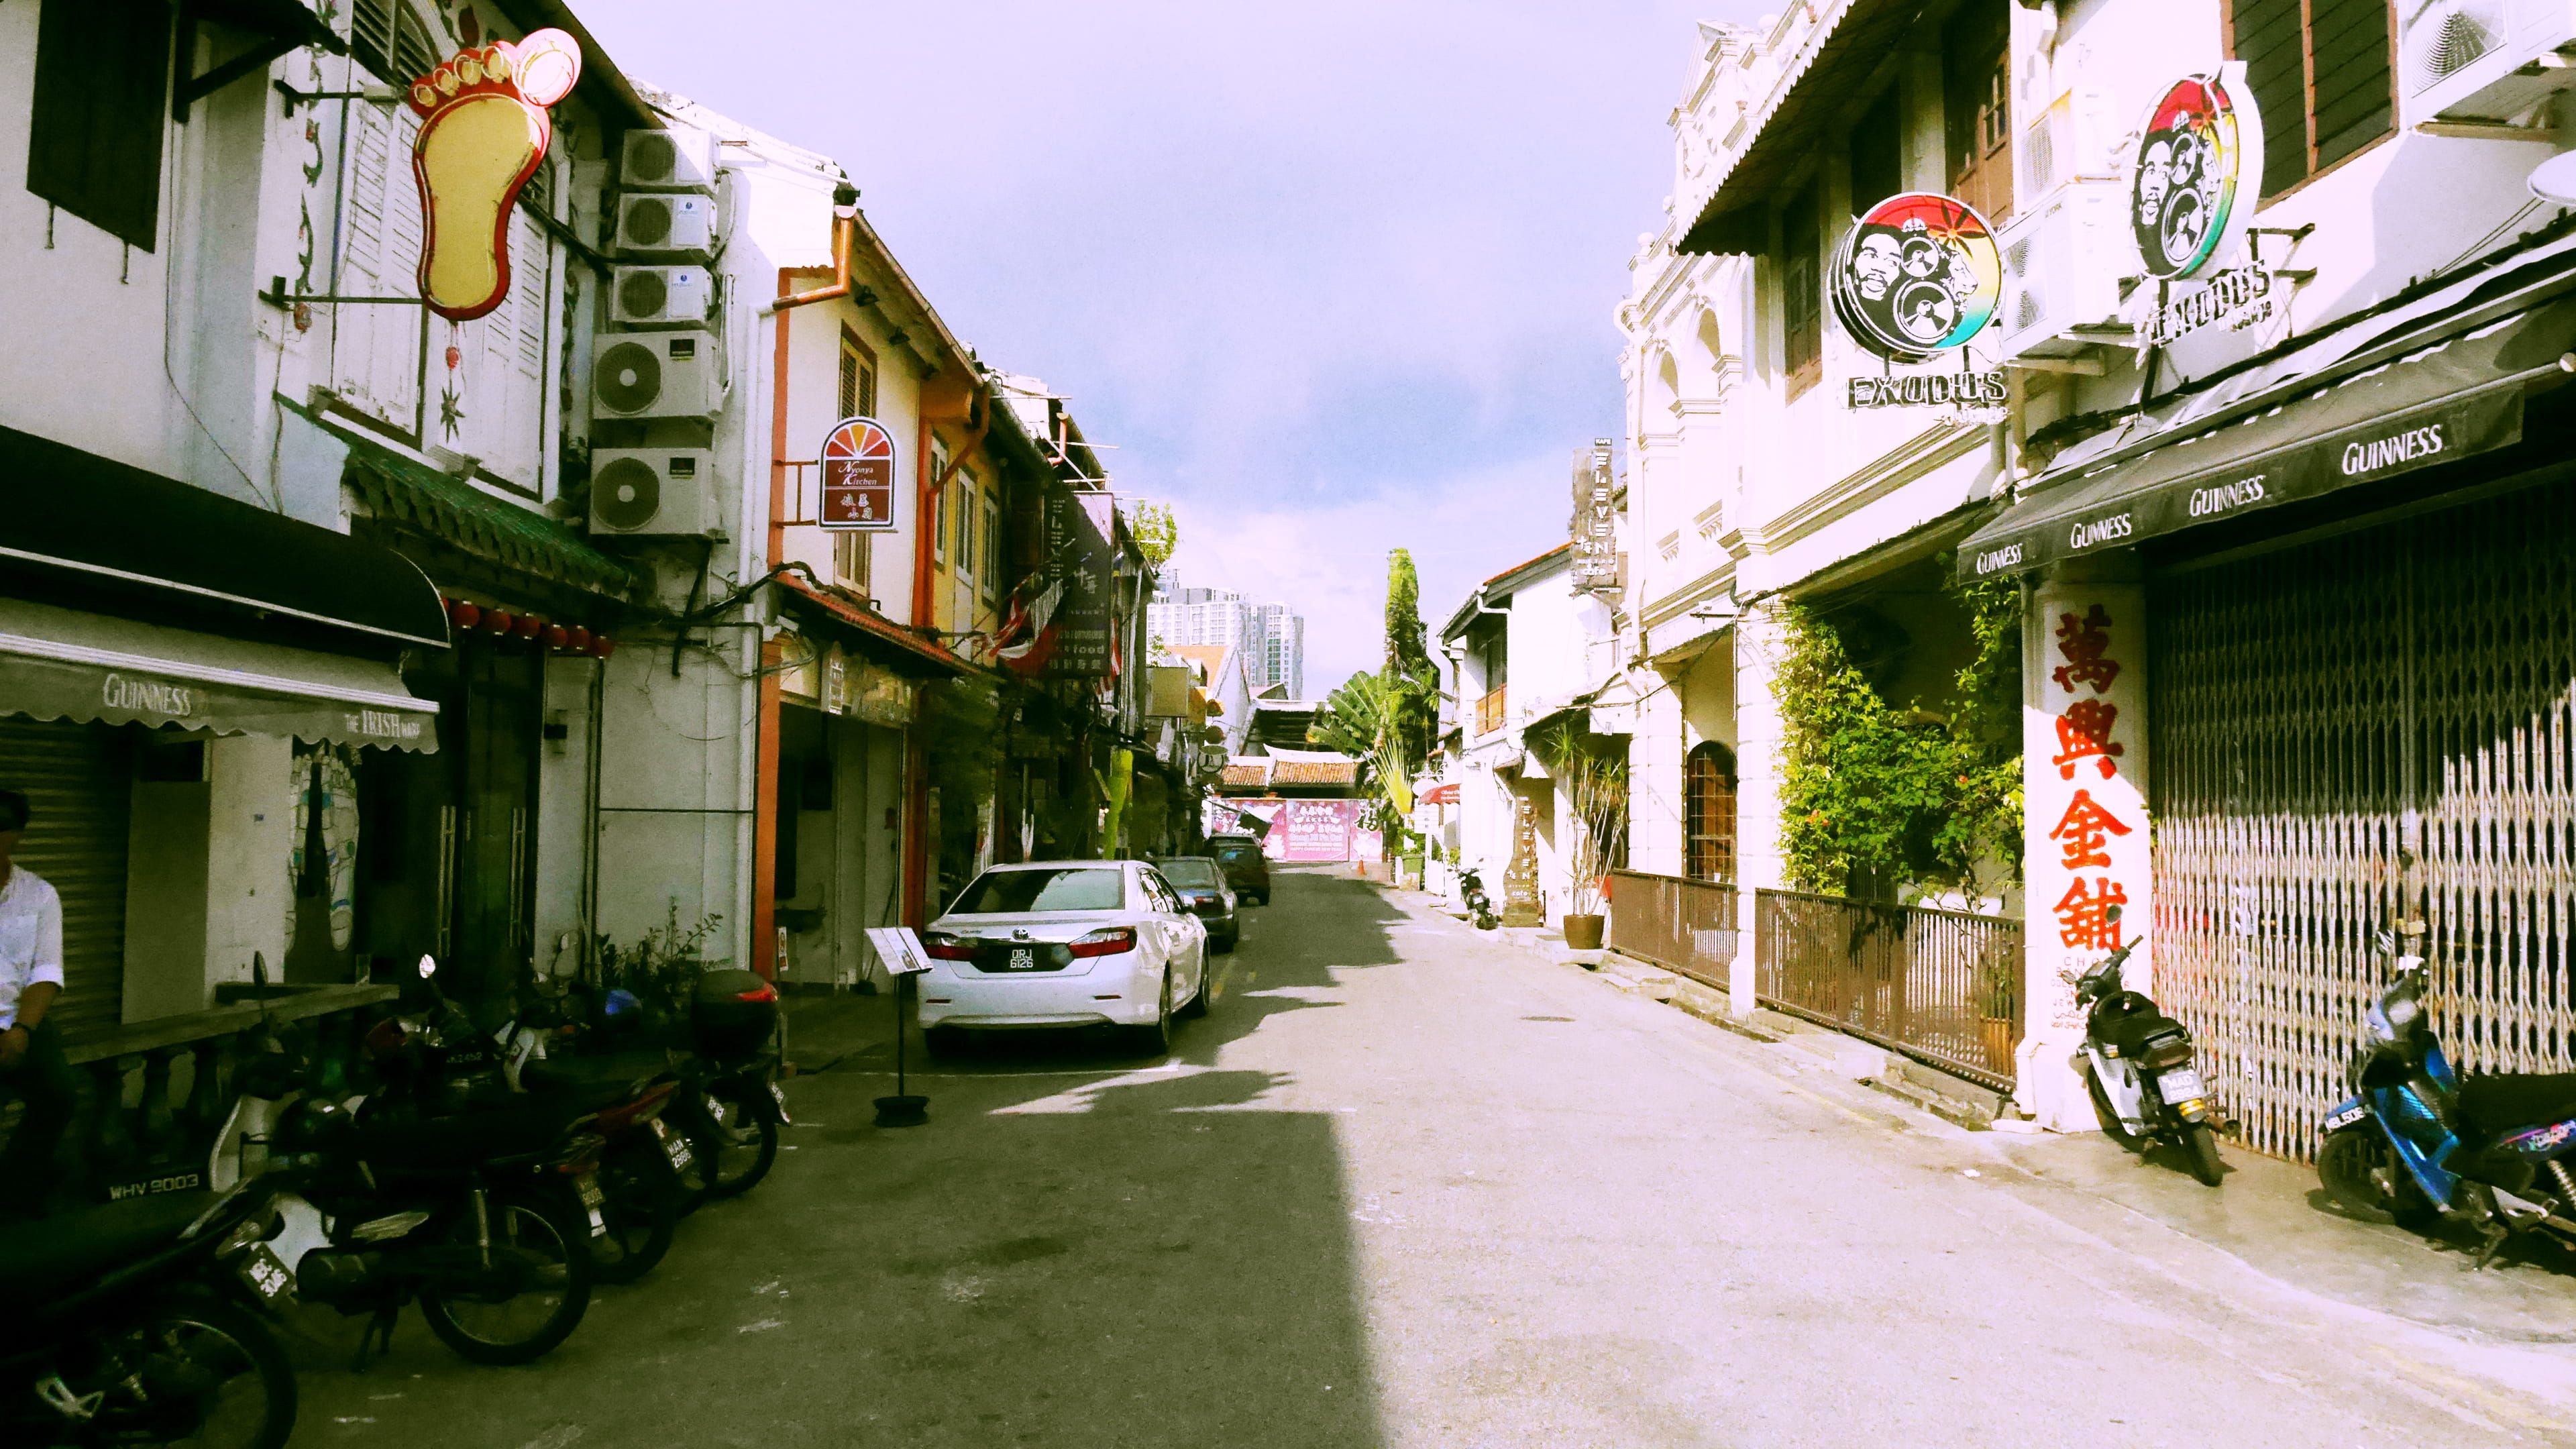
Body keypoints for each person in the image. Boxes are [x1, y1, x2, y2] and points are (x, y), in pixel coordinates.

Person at [0, 788, 72, 1218]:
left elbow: (47, 970)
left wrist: (22, 1030)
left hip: (22, 1020)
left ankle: (15, 1192)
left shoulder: (40, 895)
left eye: (2, 827)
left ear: (17, 835)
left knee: (60, 1097)